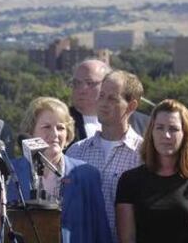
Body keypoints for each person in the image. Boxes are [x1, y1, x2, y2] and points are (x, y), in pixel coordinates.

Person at [7, 97, 112, 242]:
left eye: (61, 128)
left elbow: (101, 232)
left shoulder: (87, 175)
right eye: (46, 127)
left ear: (68, 134)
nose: (55, 134)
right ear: (30, 132)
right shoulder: (10, 173)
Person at [66, 70, 144, 243]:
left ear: (131, 106)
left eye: (112, 98)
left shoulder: (144, 155)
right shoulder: (76, 152)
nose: (103, 103)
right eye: (101, 96)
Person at [116, 99, 188, 243]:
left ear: (185, 134)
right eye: (160, 128)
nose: (166, 135)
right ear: (151, 132)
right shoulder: (129, 180)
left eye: (173, 129)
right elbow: (127, 239)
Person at [68, 59, 148, 145]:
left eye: (90, 83)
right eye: (77, 83)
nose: (81, 90)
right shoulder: (61, 121)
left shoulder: (144, 124)